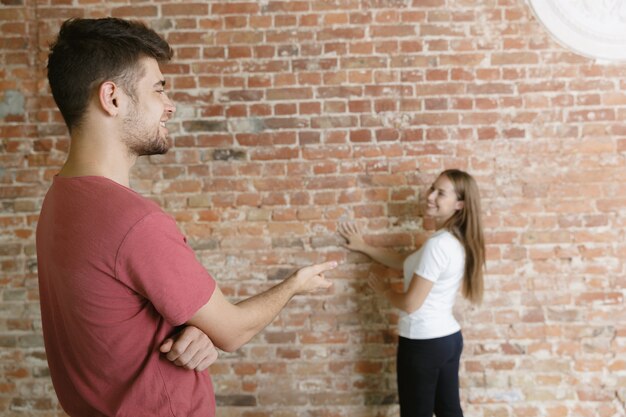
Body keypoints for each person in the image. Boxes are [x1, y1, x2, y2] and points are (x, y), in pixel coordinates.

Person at [37, 17, 336, 417]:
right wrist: (294, 285)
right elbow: (232, 330)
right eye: (158, 88)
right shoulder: (134, 222)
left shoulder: (60, 200)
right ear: (112, 98)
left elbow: (116, 315)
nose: (169, 104)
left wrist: (194, 328)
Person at [338, 169, 485, 417]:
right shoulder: (452, 239)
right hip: (448, 339)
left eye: (441, 193)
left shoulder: (437, 245)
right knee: (449, 411)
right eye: (432, 188)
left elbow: (410, 304)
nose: (430, 196)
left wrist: (384, 290)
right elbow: (407, 262)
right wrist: (364, 247)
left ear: (459, 204)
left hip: (423, 343)